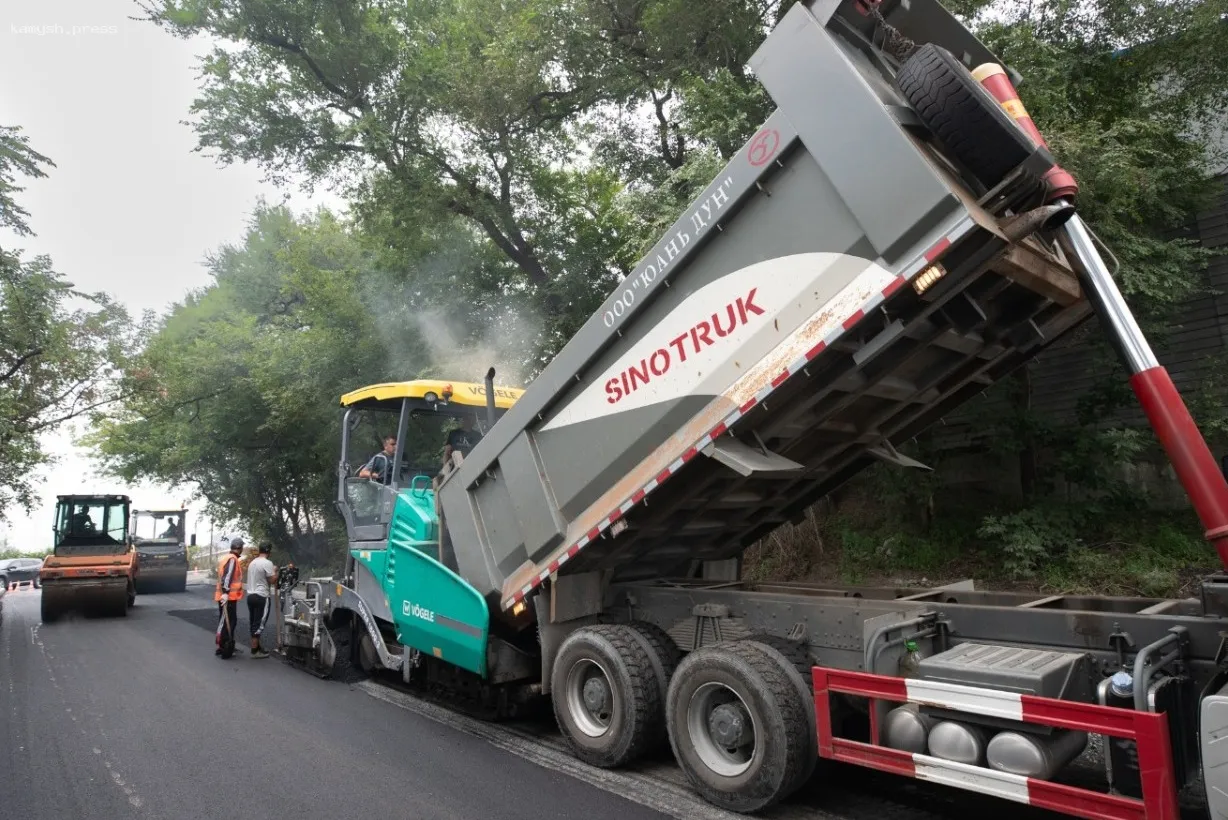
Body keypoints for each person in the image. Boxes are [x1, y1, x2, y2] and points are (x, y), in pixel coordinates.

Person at [245, 543, 278, 659]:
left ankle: (258, 647)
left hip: (250, 596)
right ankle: (255, 651)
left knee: (254, 621)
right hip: (262, 596)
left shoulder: (252, 563)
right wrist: (275, 571)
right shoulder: (267, 563)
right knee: (259, 624)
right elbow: (272, 580)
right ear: (269, 552)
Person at [214, 537, 245, 659]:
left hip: (228, 597)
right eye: (242, 547)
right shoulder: (232, 559)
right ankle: (223, 646)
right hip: (228, 597)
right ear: (239, 548)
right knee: (226, 622)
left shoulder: (227, 558)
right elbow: (227, 577)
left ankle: (225, 645)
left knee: (230, 621)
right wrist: (226, 592)